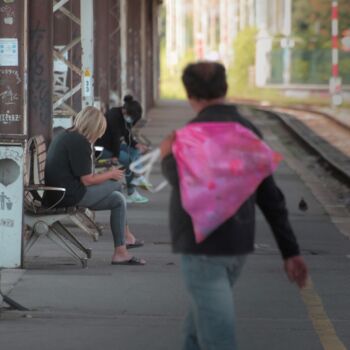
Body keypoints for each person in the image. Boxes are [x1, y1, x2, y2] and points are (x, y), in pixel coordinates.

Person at [160, 61, 308, 350]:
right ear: (225, 89)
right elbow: (270, 197)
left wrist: (167, 156)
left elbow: (182, 183)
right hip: (237, 245)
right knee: (195, 332)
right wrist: (290, 251)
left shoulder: (189, 135)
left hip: (201, 248)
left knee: (216, 339)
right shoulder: (247, 131)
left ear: (190, 95)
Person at [44, 106, 146, 265]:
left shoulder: (69, 135)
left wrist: (107, 174)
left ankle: (121, 252)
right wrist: (110, 174)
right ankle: (126, 237)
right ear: (95, 128)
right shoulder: (80, 142)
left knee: (118, 200)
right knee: (117, 184)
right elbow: (87, 180)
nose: (100, 134)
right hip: (66, 194)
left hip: (61, 192)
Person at [96, 95, 151, 204]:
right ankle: (132, 190)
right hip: (102, 148)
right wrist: (116, 156)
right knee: (128, 160)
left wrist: (136, 145)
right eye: (130, 117)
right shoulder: (113, 115)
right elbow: (116, 138)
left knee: (135, 151)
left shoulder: (127, 116)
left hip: (112, 146)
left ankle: (137, 176)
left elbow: (127, 134)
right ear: (124, 110)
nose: (131, 119)